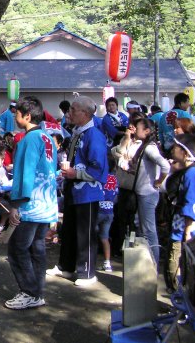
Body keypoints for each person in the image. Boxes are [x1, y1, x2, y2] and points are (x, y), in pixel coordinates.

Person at [47, 96, 108, 286]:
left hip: (88, 192)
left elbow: (99, 168)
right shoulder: (77, 132)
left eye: (73, 109)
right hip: (74, 189)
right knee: (70, 229)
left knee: (85, 232)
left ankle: (87, 272)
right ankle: (67, 266)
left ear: (85, 113)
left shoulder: (94, 135)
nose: (69, 113)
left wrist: (76, 173)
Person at [4, 96, 58, 310]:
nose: (14, 116)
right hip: (46, 203)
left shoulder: (28, 139)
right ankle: (37, 291)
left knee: (18, 249)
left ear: (27, 116)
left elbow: (25, 175)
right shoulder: (47, 137)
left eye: (17, 113)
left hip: (30, 205)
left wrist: (15, 205)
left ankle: (29, 292)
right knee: (37, 249)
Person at [111, 118, 170, 265]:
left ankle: (154, 264)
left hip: (147, 193)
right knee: (144, 230)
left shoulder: (150, 147)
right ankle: (149, 264)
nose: (134, 130)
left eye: (137, 128)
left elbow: (165, 166)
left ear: (147, 131)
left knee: (149, 230)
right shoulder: (143, 146)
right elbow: (121, 156)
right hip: (142, 192)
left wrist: (158, 181)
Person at [164, 134, 195, 292]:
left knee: (175, 266)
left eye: (176, 147)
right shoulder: (187, 171)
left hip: (184, 231)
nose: (173, 149)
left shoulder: (192, 174)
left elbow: (192, 203)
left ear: (185, 153)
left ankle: (179, 299)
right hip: (179, 227)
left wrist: (187, 231)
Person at [97, 162, 118, 272]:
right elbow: (116, 196)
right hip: (109, 211)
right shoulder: (114, 179)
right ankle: (107, 263)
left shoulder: (100, 176)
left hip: (99, 209)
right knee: (105, 238)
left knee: (91, 234)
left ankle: (87, 261)